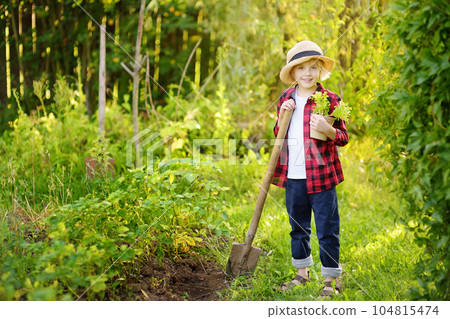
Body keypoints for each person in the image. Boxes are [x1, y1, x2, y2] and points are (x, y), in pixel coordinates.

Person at [272, 40, 349, 298]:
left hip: (322, 177)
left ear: (320, 72)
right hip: (294, 177)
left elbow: (343, 137)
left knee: (327, 227)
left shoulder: (329, 98)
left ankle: (330, 278)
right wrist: (282, 115)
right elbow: (278, 135)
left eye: (313, 67)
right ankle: (301, 272)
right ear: (293, 73)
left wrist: (329, 130)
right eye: (301, 68)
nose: (307, 73)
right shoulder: (286, 98)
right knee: (298, 227)